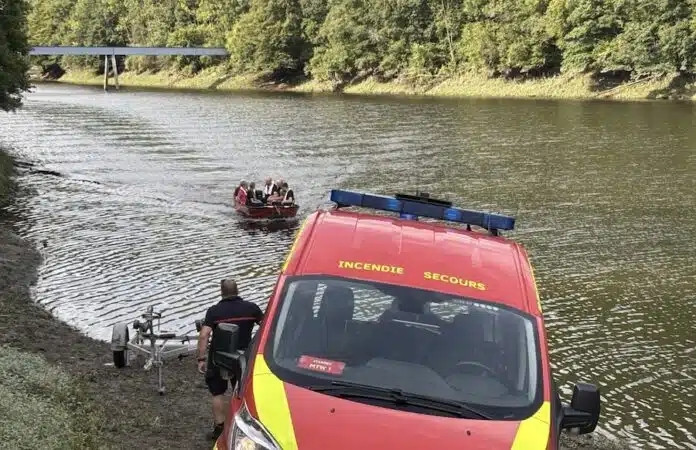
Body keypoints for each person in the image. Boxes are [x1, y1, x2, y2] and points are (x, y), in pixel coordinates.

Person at [196, 279, 263, 440]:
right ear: (237, 290)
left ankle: (219, 428)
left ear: (221, 292)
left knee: (217, 392)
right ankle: (243, 427)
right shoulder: (252, 308)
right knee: (241, 391)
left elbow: (204, 335)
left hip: (218, 357)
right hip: (242, 357)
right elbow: (267, 328)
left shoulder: (214, 311)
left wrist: (201, 358)